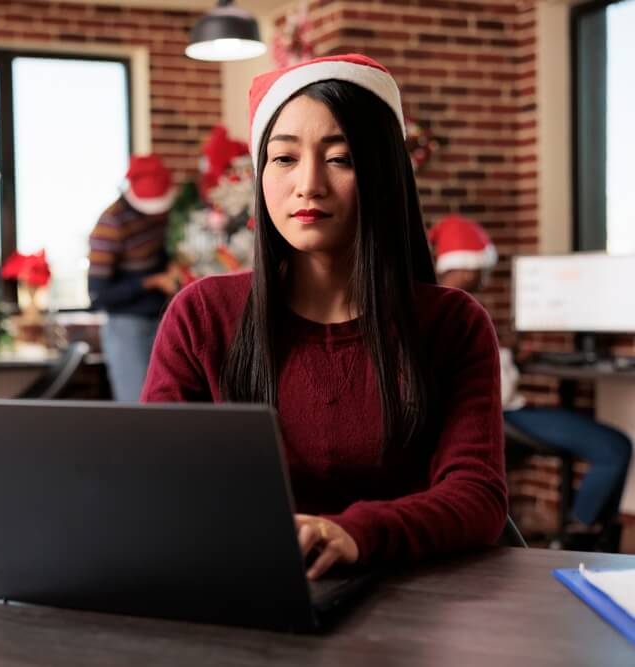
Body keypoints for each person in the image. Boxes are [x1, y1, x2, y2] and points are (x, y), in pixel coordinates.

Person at [142, 54, 509, 580]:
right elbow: (160, 481)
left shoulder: (451, 323)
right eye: (284, 158)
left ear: (382, 173)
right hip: (241, 588)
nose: (308, 184)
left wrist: (354, 533)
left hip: (410, 605)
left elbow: (477, 495)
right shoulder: (201, 316)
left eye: (340, 158)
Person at [429, 214, 632, 538]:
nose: (487, 276)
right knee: (614, 447)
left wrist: (507, 352)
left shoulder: (441, 307)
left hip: (508, 409)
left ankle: (586, 529)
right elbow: (486, 382)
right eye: (484, 268)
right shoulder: (459, 313)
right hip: (507, 413)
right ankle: (579, 536)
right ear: (467, 266)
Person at [89, 155, 181, 402]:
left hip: (161, 320)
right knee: (139, 408)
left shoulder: (159, 215)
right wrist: (151, 282)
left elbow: (156, 254)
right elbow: (99, 295)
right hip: (127, 328)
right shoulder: (111, 223)